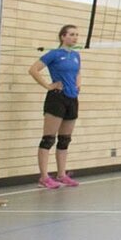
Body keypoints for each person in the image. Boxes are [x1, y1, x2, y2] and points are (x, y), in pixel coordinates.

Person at [28, 25, 83, 189]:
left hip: (72, 99)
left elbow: (78, 72)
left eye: (77, 35)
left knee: (65, 140)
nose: (75, 38)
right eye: (72, 35)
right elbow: (33, 69)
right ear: (63, 37)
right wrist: (48, 85)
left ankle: (61, 174)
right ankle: (44, 177)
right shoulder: (54, 54)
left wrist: (78, 84)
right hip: (56, 98)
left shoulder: (76, 55)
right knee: (48, 139)